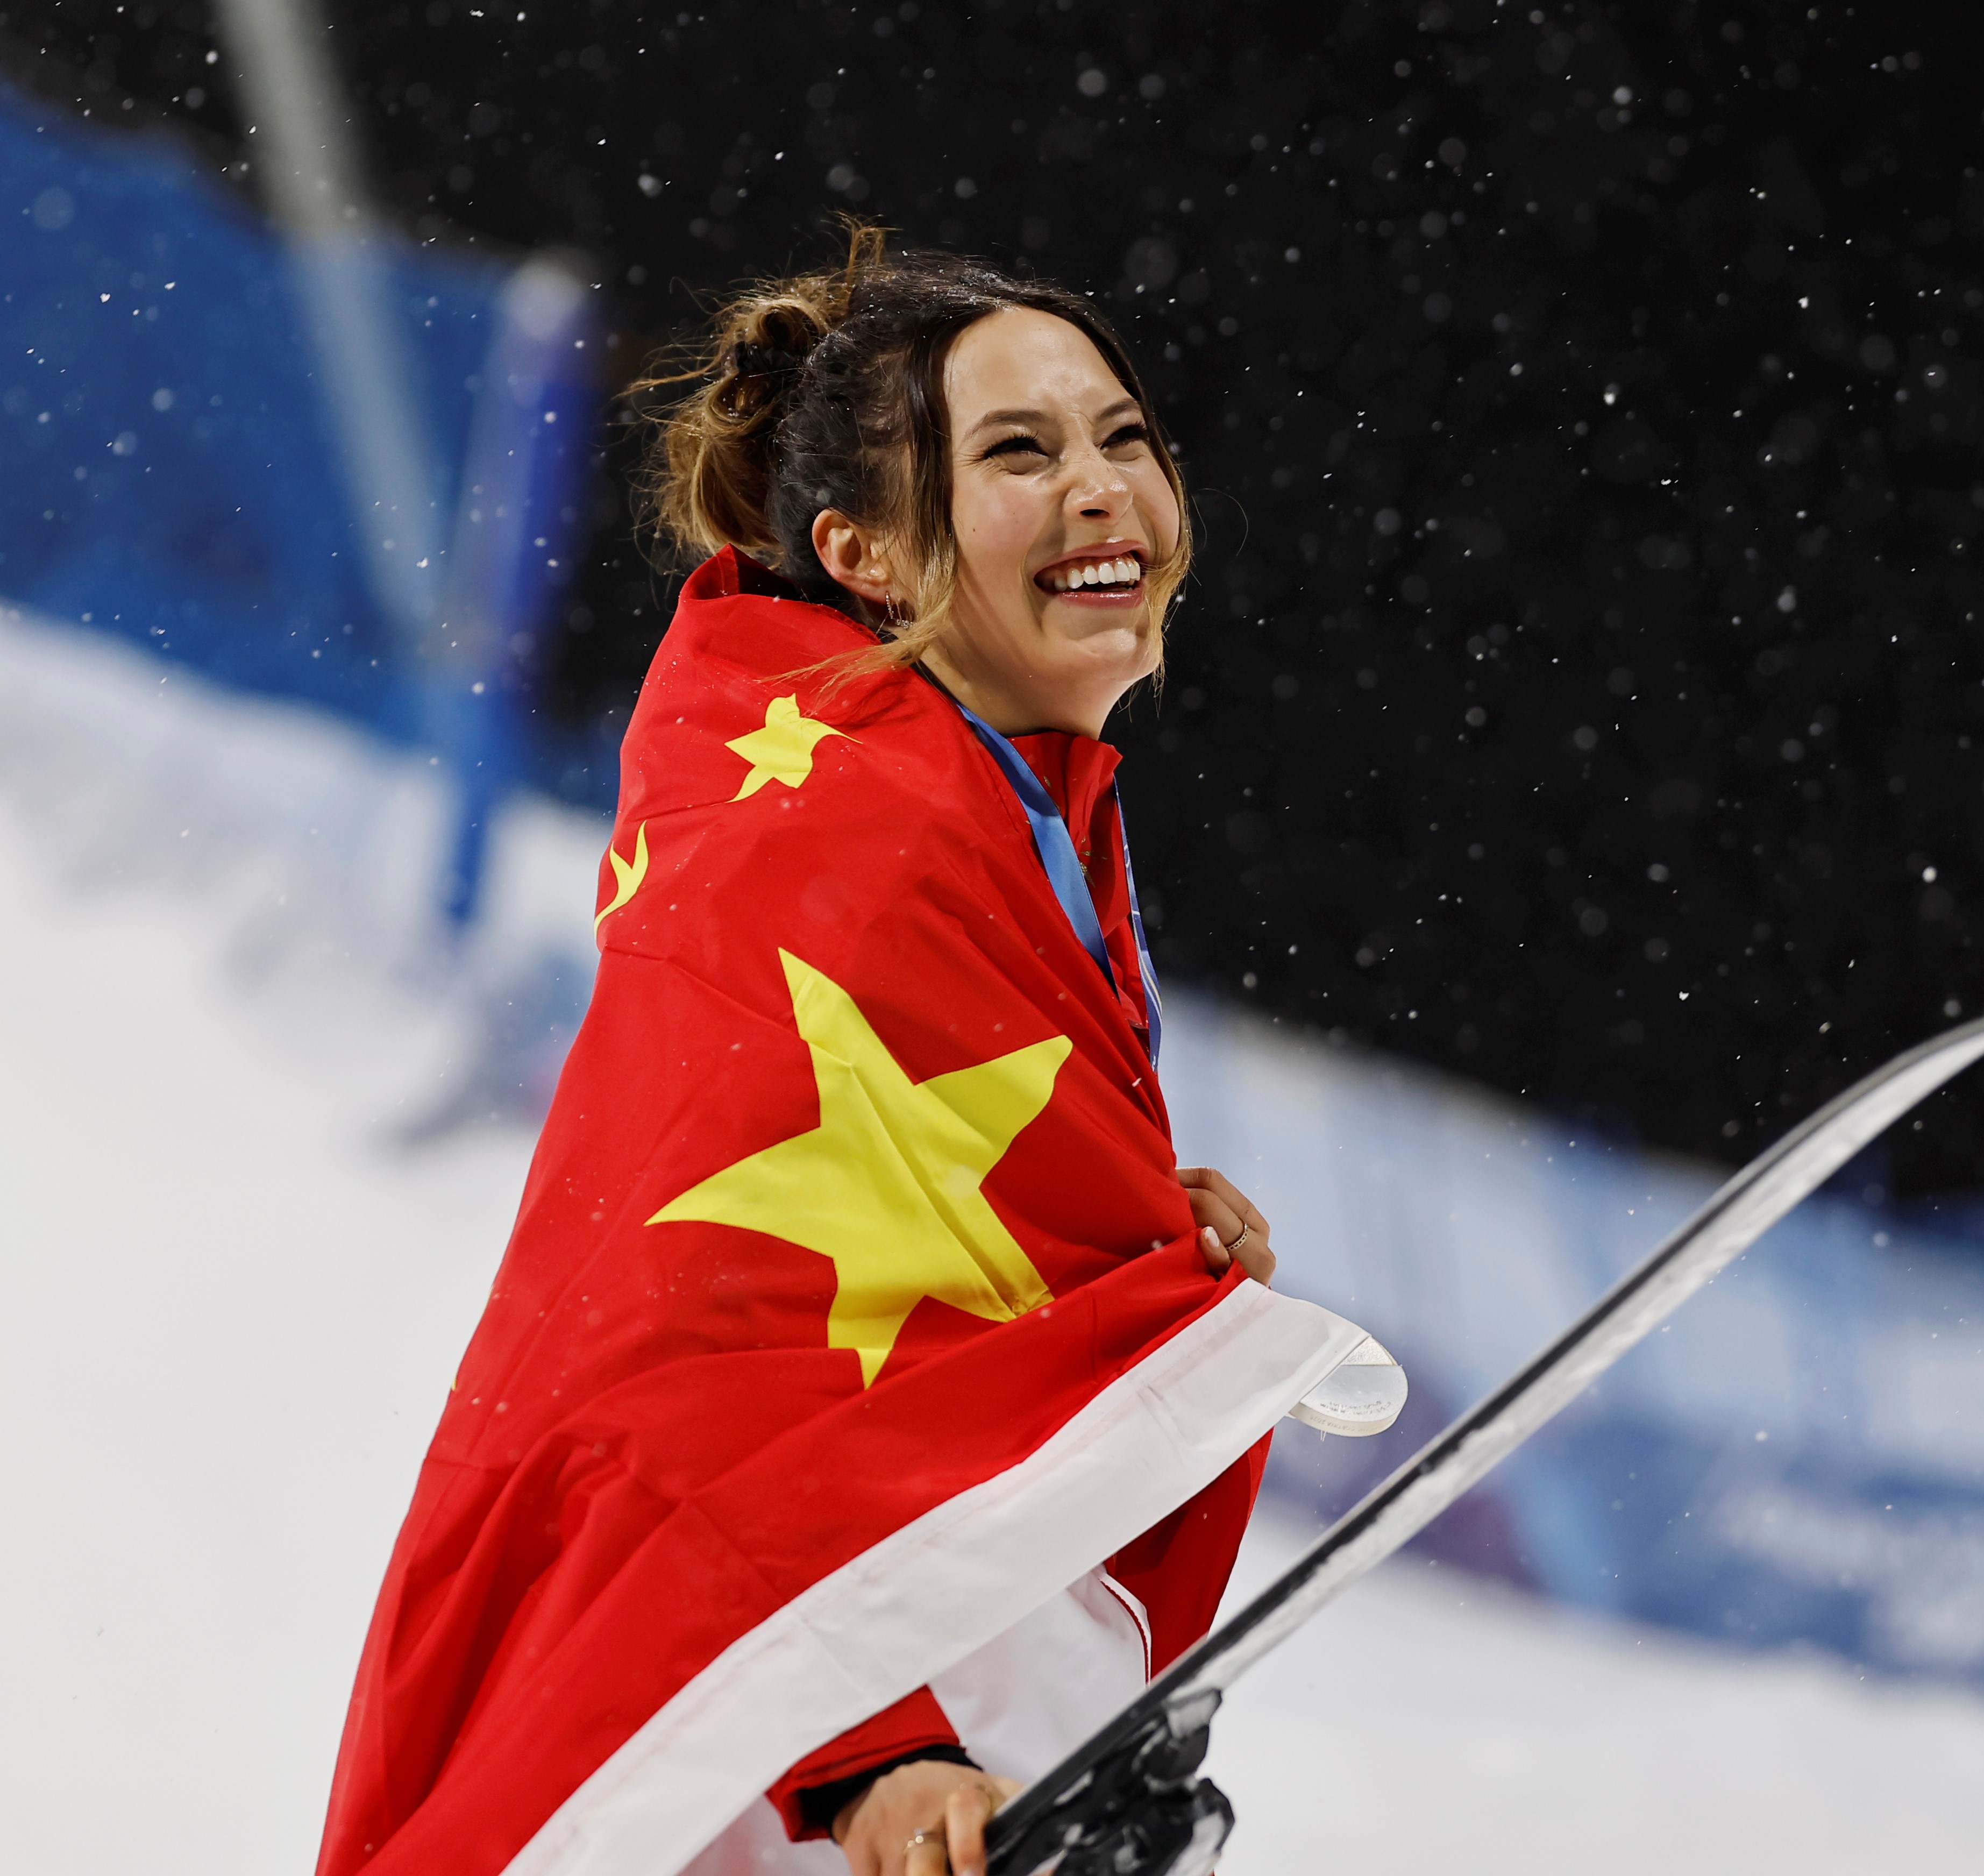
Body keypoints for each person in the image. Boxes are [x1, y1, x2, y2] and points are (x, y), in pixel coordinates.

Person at [315, 226, 1367, 1876]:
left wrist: (1095, 1232)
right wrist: (866, 1761)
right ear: (865, 553)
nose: (1105, 489)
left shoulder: (970, 790)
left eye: (1125, 436)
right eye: (1021, 451)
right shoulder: (847, 834)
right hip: (726, 1723)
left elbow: (870, 1229)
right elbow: (684, 1357)